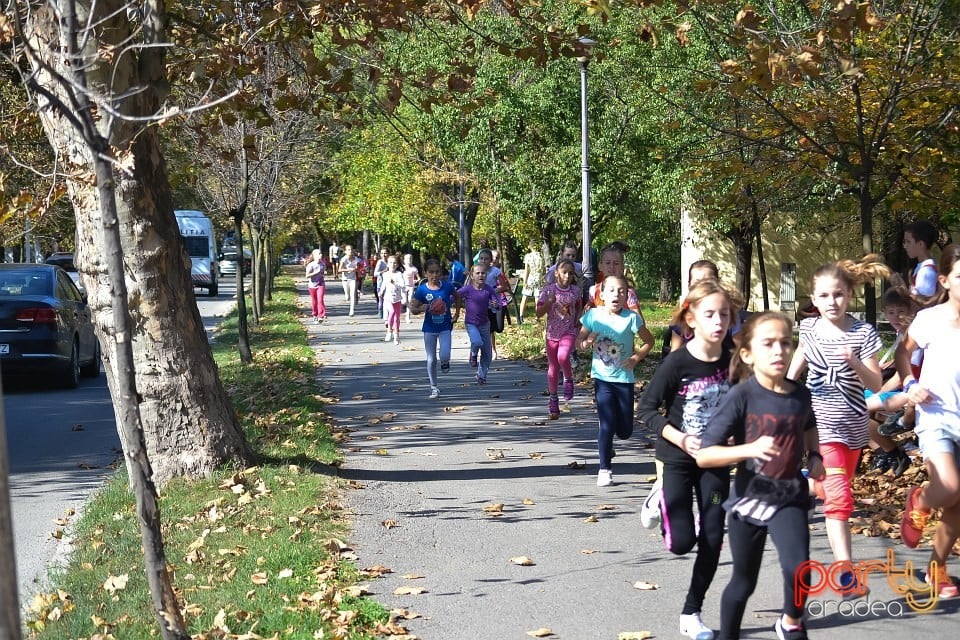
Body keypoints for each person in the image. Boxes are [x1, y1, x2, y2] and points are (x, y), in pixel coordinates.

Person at [698, 311, 825, 640]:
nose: (779, 351)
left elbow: (809, 426)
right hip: (749, 498)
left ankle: (791, 621)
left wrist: (815, 456)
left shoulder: (800, 394)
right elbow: (705, 454)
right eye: (768, 344)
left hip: (789, 496)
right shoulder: (741, 396)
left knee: (799, 570)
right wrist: (748, 450)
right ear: (748, 354)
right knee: (744, 581)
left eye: (785, 343)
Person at [637, 278, 739, 640]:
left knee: (712, 536)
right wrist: (680, 437)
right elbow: (646, 410)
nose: (718, 321)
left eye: (724, 314)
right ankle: (660, 496)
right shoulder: (677, 363)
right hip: (677, 458)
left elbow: (744, 406)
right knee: (681, 543)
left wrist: (737, 438)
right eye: (709, 314)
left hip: (715, 461)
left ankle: (691, 612)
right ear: (690, 318)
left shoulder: (735, 362)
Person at [786, 254, 888, 595]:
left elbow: (875, 381)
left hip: (855, 427)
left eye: (839, 294)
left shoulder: (863, 332)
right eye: (825, 296)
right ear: (814, 300)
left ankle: (814, 483)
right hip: (821, 426)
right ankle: (845, 572)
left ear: (849, 296)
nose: (833, 302)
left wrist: (854, 361)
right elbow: (798, 359)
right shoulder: (809, 328)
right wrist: (782, 390)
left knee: (835, 488)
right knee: (841, 499)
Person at [896, 243, 960, 599]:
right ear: (946, 280)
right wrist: (910, 384)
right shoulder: (930, 319)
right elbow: (903, 354)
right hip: (936, 416)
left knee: (957, 507)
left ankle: (935, 570)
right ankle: (919, 499)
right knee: (949, 487)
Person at [579, 274, 651, 487]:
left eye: (621, 291)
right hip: (602, 379)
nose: (616, 295)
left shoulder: (631, 318)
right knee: (607, 424)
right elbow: (578, 342)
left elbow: (649, 341)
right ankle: (604, 469)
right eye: (611, 290)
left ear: (627, 295)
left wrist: (636, 357)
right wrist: (587, 341)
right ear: (601, 294)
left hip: (625, 380)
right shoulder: (593, 315)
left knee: (625, 431)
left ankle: (609, 440)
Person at [536, 259, 581, 420]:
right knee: (553, 366)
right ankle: (553, 400)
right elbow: (538, 313)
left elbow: (579, 306)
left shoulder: (575, 291)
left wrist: (578, 319)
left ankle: (568, 378)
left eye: (570, 273)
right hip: (552, 334)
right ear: (556, 273)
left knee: (563, 356)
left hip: (569, 331)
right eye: (564, 272)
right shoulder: (548, 290)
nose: (567, 276)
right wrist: (549, 303)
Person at [409, 259, 459, 400]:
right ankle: (434, 387)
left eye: (437, 272)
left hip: (445, 327)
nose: (434, 275)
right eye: (431, 272)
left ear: (441, 273)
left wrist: (456, 314)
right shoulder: (422, 289)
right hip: (429, 328)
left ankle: (445, 363)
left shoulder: (447, 287)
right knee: (431, 359)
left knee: (444, 355)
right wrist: (419, 309)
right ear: (425, 273)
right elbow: (413, 309)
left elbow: (457, 296)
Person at [457, 262, 500, 385]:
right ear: (472, 276)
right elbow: (454, 296)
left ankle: (481, 375)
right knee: (476, 342)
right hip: (471, 323)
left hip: (484, 324)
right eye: (478, 273)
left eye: (483, 273)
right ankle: (473, 354)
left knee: (487, 353)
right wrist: (442, 300)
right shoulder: (467, 289)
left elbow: (497, 303)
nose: (481, 275)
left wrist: (495, 305)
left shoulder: (488, 289)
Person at [476, 248, 511, 360]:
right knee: (487, 328)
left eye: (486, 259)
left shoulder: (495, 271)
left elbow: (505, 286)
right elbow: (470, 285)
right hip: (482, 304)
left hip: (495, 302)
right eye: (481, 258)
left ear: (490, 260)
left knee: (499, 328)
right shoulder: (476, 271)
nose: (483, 261)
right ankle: (490, 350)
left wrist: (493, 290)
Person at [903, 219, 939, 299]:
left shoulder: (926, 272)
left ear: (920, 244)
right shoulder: (922, 267)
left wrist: (902, 288)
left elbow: (923, 304)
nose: (905, 246)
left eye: (908, 242)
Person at [379, 255, 406, 345]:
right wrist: (381, 292)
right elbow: (383, 284)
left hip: (397, 299)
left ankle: (396, 335)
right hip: (388, 298)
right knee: (392, 312)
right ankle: (389, 331)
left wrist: (394, 282)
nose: (392, 264)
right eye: (390, 262)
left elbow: (403, 285)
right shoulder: (385, 274)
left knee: (396, 318)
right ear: (387, 264)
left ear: (397, 264)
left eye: (394, 263)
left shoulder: (399, 274)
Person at [520, 241, 545, 320]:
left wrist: (525, 281)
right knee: (537, 298)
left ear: (530, 246)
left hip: (530, 278)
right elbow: (543, 270)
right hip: (539, 278)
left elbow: (527, 270)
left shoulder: (528, 256)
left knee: (525, 296)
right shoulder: (541, 256)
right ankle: (537, 316)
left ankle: (521, 316)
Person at [338, 245, 362, 317]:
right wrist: (348, 269)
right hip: (345, 279)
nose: (350, 251)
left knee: (353, 295)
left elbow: (360, 267)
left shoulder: (357, 259)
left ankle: (352, 311)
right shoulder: (344, 259)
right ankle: (347, 296)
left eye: (351, 249)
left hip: (353, 279)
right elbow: (339, 270)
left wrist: (358, 270)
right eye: (348, 250)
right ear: (345, 251)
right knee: (347, 297)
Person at [305, 249, 327, 323]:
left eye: (321, 253)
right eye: (319, 254)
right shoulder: (311, 265)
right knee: (314, 301)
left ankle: (320, 316)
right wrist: (316, 273)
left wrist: (324, 273)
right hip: (312, 285)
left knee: (320, 300)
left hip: (321, 284)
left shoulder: (323, 264)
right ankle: (314, 315)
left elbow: (323, 272)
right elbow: (307, 276)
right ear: (314, 256)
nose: (320, 255)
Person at [373, 247, 391, 319]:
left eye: (385, 253)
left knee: (389, 299)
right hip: (380, 284)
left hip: (390, 284)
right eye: (382, 253)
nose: (384, 255)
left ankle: (388, 312)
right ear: (380, 254)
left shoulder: (391, 261)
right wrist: (384, 271)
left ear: (388, 254)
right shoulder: (380, 262)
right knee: (381, 300)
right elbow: (375, 274)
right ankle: (380, 311)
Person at [402, 254, 420, 323]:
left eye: (410, 259)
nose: (409, 260)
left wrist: (416, 280)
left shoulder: (414, 268)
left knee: (409, 301)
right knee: (404, 301)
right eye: (407, 259)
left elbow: (418, 278)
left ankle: (408, 317)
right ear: (404, 260)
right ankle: (400, 310)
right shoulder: (402, 268)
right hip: (403, 286)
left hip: (411, 286)